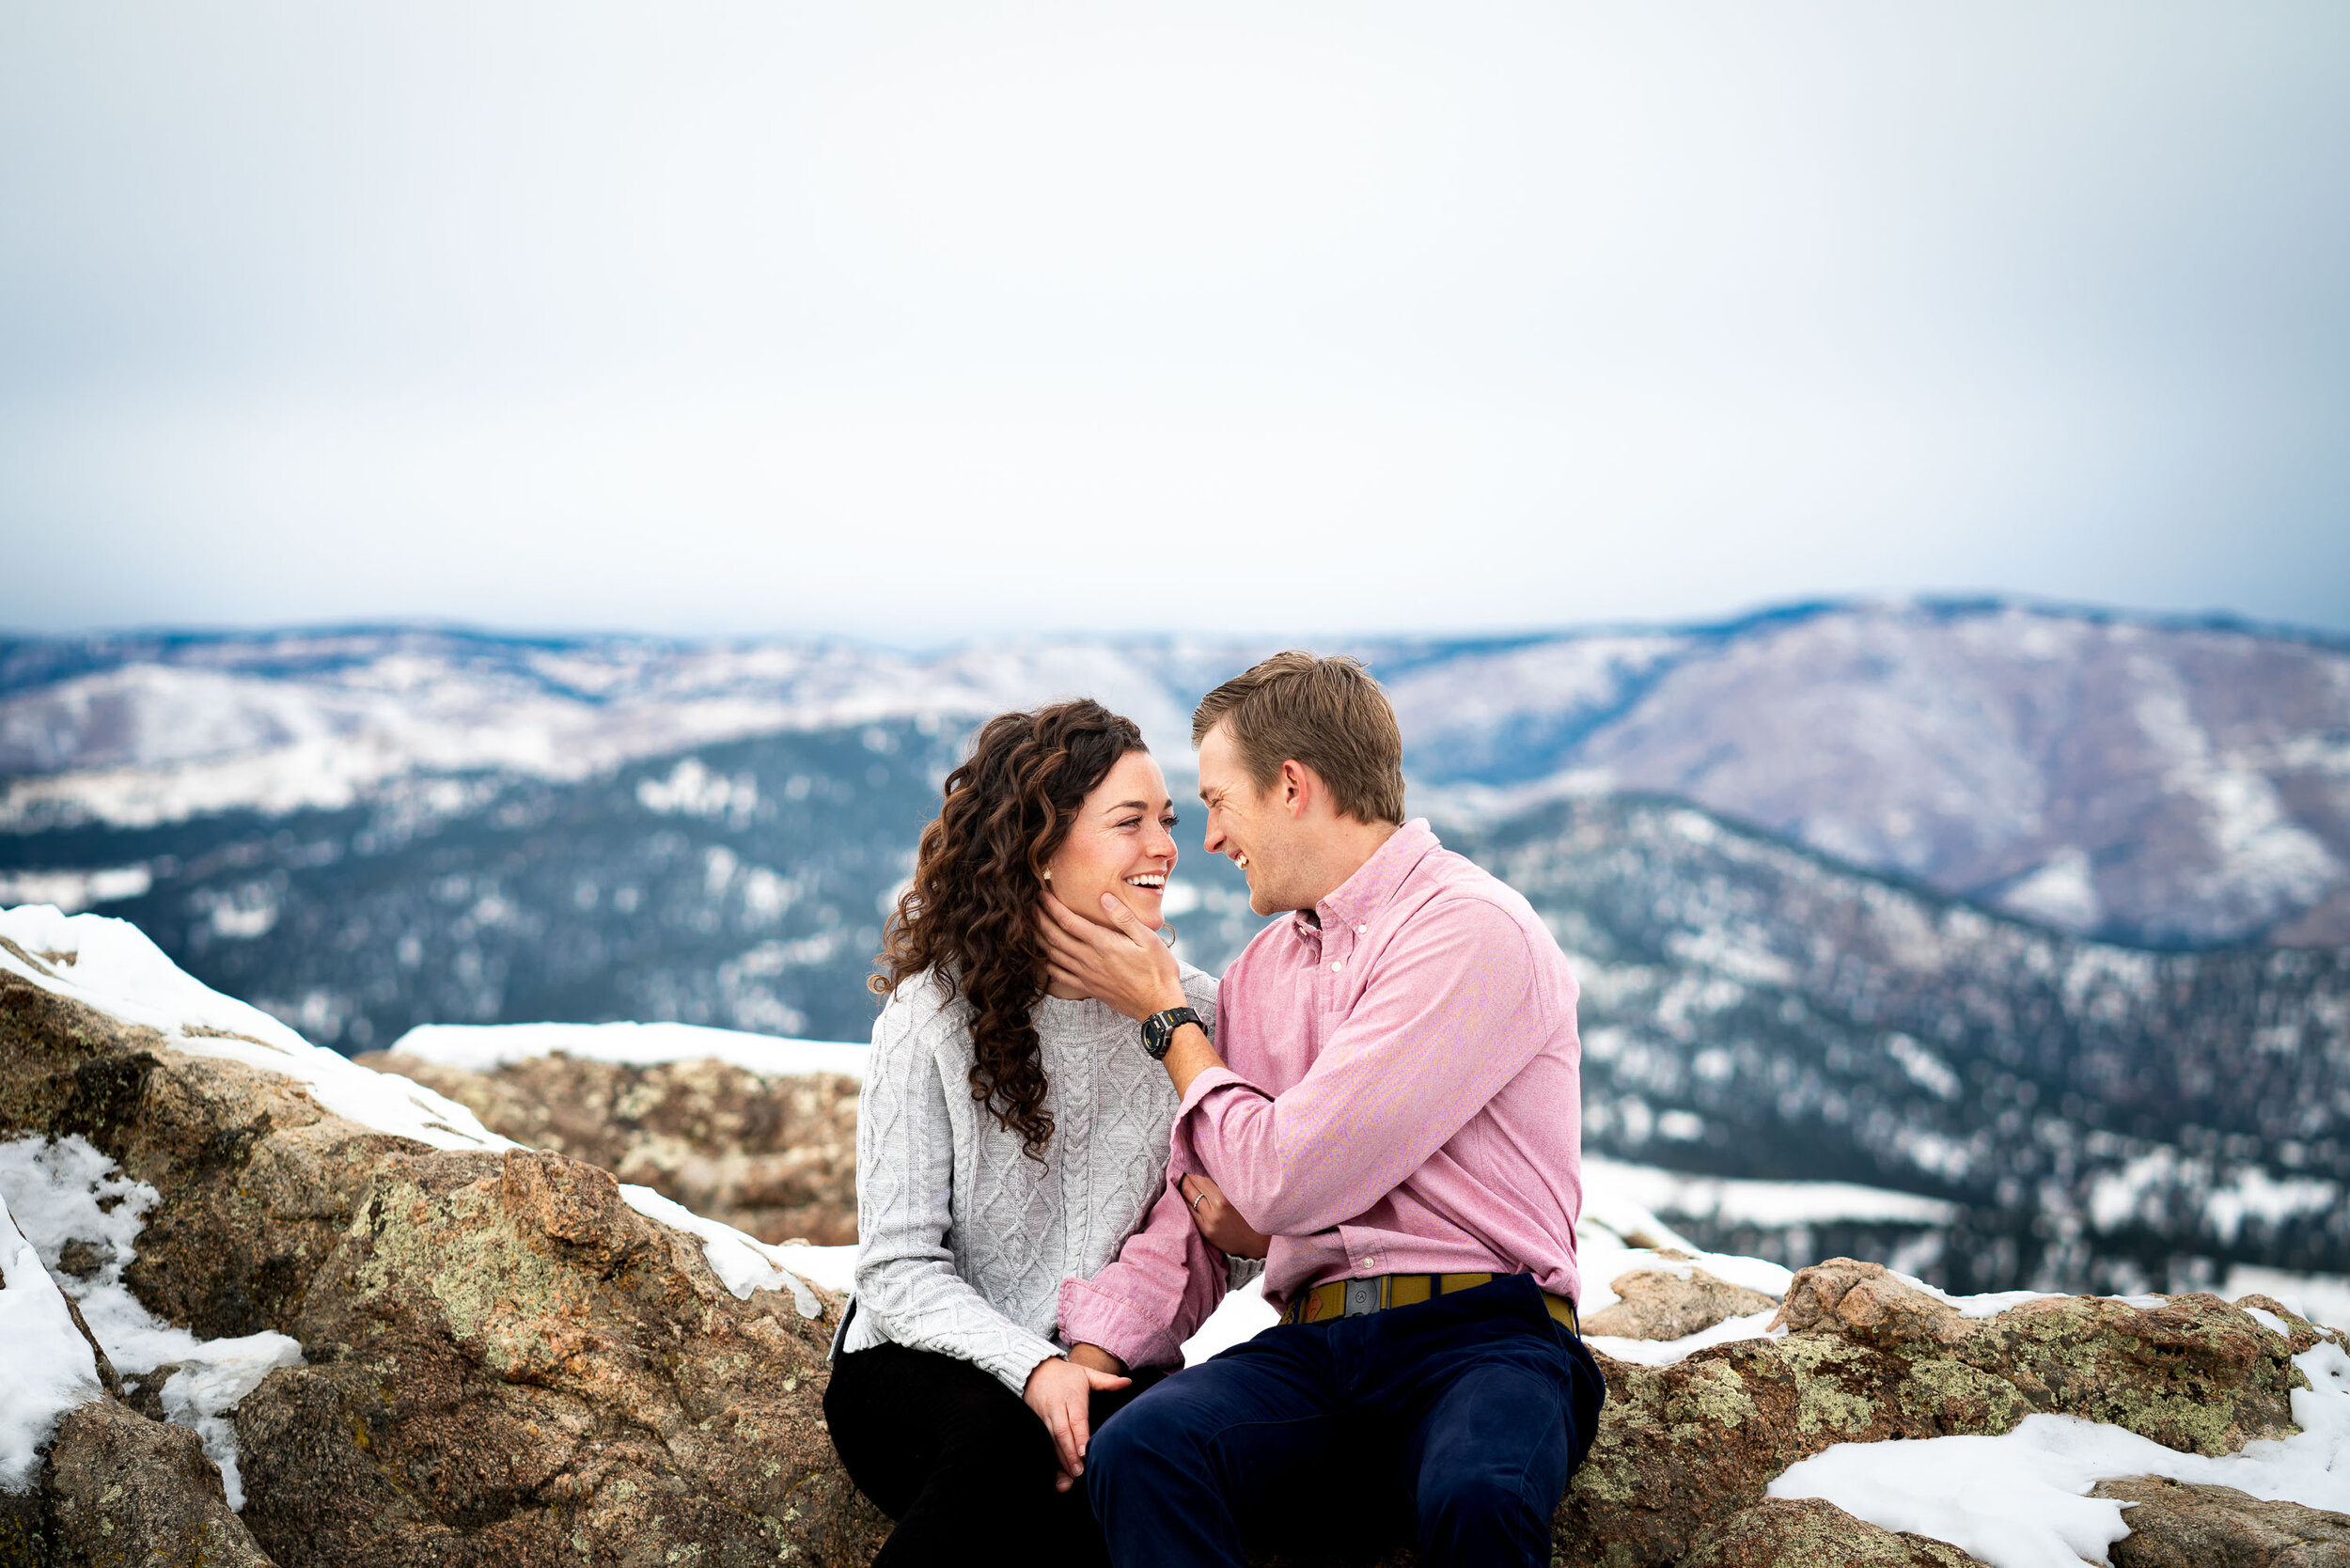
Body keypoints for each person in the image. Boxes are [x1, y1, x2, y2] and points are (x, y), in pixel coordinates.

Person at [1038, 652, 1606, 1568]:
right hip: (1315, 1347)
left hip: (1482, 1336)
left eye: (1219, 802)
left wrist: (1167, 1021)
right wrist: (1095, 1353)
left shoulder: (1468, 929)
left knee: (1479, 1495)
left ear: (1292, 786)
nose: (1211, 839)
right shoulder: (1264, 971)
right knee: (1145, 1449)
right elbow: (1199, 1208)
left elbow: (1286, 1177)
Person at [823, 698, 1244, 1568]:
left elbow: (1221, 1235)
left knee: (1148, 1468)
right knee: (1005, 1439)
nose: (1166, 846)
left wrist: (1082, 1364)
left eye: (1167, 819)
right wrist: (1033, 1368)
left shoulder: (1195, 1015)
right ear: (1039, 848)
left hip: (1111, 1367)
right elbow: (897, 1267)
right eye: (1129, 823)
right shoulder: (932, 1012)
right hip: (923, 1362)